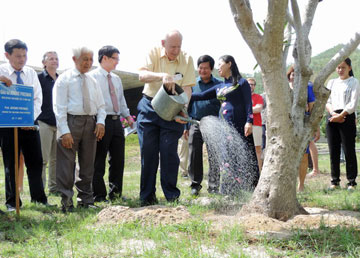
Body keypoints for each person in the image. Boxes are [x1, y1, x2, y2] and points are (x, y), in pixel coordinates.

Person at [138, 30, 196, 206]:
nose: (176, 50)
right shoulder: (153, 53)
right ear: (163, 43)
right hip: (149, 106)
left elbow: (187, 88)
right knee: (148, 153)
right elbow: (141, 75)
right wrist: (162, 76)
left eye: (179, 46)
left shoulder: (187, 59)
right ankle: (147, 197)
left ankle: (171, 196)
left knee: (169, 153)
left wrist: (182, 110)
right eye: (172, 47)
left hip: (173, 108)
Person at [190, 55, 259, 195]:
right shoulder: (220, 86)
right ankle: (229, 189)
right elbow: (200, 96)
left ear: (229, 64)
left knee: (244, 155)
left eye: (220, 64)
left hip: (240, 126)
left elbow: (248, 104)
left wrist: (249, 121)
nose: (218, 68)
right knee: (227, 158)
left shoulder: (241, 83)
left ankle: (250, 188)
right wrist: (180, 93)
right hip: (224, 128)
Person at [53, 47, 106, 212]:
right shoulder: (64, 79)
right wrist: (64, 131)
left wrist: (101, 122)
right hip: (70, 122)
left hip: (90, 124)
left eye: (90, 59)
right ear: (74, 59)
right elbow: (59, 107)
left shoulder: (93, 81)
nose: (88, 63)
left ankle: (86, 200)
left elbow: (101, 105)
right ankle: (66, 201)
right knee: (66, 165)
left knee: (87, 164)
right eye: (85, 59)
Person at [0, 39, 51, 212]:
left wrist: (29, 119)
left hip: (29, 123)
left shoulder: (30, 73)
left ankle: (39, 198)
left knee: (36, 162)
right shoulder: (1, 72)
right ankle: (12, 202)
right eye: (18, 56)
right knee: (11, 164)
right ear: (7, 55)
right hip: (7, 125)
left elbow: (38, 99)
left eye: (24, 55)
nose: (22, 59)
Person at [89, 45, 133, 203]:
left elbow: (121, 100)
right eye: (115, 58)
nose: (117, 62)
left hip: (116, 122)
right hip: (100, 121)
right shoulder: (92, 77)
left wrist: (127, 116)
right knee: (98, 159)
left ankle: (115, 194)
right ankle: (99, 195)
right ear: (104, 58)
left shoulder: (116, 78)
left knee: (118, 160)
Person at [186, 55, 221, 196]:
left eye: (206, 68)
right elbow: (187, 105)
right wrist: (185, 127)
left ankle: (213, 186)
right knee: (194, 153)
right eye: (200, 68)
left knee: (214, 155)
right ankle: (195, 185)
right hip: (195, 122)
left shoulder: (219, 85)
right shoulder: (193, 85)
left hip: (213, 123)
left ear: (211, 69)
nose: (203, 70)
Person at [326, 58, 360, 191]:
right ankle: (334, 181)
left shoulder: (354, 82)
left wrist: (341, 115)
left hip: (347, 116)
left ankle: (351, 182)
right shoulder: (331, 82)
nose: (340, 70)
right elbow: (327, 100)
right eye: (338, 67)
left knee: (348, 150)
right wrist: (333, 114)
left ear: (349, 68)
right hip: (332, 116)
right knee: (333, 151)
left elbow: (353, 102)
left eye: (343, 67)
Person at [287, 65, 317, 192]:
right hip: (286, 124)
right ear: (289, 76)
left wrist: (315, 127)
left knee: (304, 155)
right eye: (293, 74)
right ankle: (288, 186)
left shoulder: (308, 87)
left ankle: (301, 185)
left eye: (298, 74)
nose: (295, 77)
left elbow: (312, 108)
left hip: (303, 123)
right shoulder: (283, 88)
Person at [37, 51, 59, 195]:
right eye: (51, 59)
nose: (54, 61)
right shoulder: (38, 78)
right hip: (43, 122)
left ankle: (54, 188)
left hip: (59, 123)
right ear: (44, 63)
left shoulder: (61, 79)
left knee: (56, 160)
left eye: (56, 59)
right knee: (43, 159)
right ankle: (40, 190)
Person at [247, 77, 263, 172]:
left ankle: (259, 172)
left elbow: (258, 109)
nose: (250, 86)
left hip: (256, 125)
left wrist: (246, 110)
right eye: (248, 84)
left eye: (252, 84)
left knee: (257, 148)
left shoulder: (258, 97)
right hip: (244, 125)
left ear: (255, 86)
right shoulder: (242, 97)